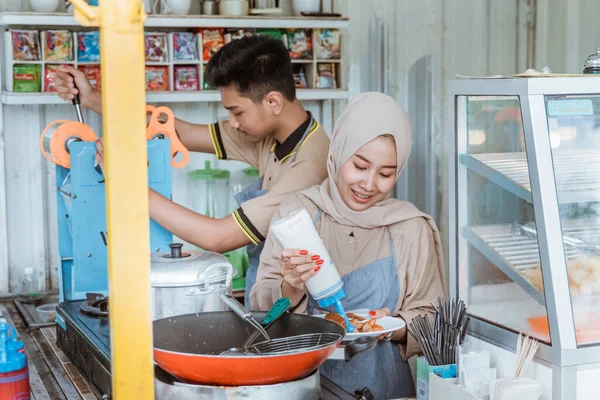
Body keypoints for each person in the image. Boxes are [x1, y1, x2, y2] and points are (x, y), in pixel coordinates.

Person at [53, 36, 330, 308]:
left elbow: (218, 237)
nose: (232, 123)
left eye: (237, 112)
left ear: (273, 102)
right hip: (264, 299)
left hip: (297, 309)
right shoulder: (275, 137)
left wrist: (125, 183)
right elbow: (174, 131)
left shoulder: (309, 166)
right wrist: (91, 99)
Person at [250, 92, 446, 399]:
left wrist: (387, 326)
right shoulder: (298, 214)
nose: (369, 185)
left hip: (386, 390)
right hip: (305, 388)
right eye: (359, 165)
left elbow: (434, 320)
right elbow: (263, 314)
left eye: (385, 174)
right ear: (339, 152)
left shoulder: (410, 227)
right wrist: (291, 286)